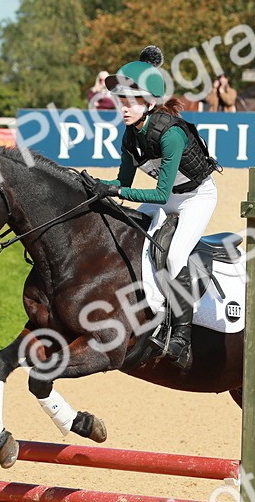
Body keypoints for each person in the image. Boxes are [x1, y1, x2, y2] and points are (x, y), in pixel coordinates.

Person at [80, 45, 221, 370]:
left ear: (148, 103)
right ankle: (149, 313)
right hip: (170, 195)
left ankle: (182, 336)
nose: (123, 108)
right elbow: (122, 183)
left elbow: (158, 194)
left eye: (130, 101)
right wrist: (95, 188)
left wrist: (114, 190)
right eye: (121, 101)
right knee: (136, 244)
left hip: (195, 198)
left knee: (173, 256)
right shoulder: (131, 137)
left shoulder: (170, 134)